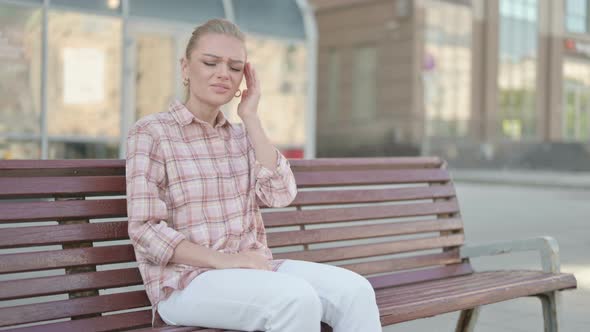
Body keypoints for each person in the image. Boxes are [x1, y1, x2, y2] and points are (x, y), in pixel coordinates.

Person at [125, 18, 381, 332]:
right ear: (185, 68)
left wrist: (251, 117)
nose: (223, 74)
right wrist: (224, 261)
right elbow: (145, 229)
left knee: (355, 291)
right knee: (295, 299)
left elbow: (280, 194)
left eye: (235, 67)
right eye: (210, 62)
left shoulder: (242, 137)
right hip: (185, 283)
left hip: (254, 270)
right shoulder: (151, 132)